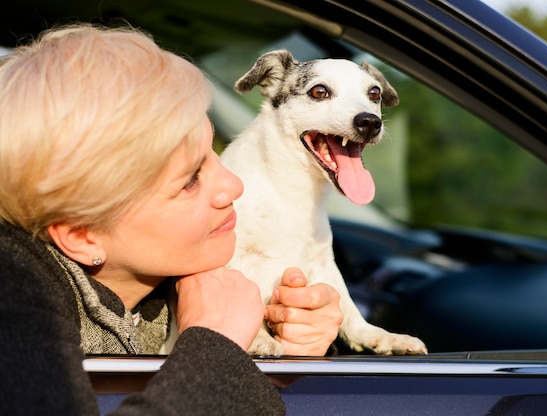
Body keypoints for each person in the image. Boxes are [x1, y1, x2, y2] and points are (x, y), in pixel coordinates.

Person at [0, 23, 343, 415]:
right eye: (191, 180)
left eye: (213, 151)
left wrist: (284, 348)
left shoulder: (158, 273)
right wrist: (218, 346)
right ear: (81, 234)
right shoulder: (14, 297)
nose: (232, 185)